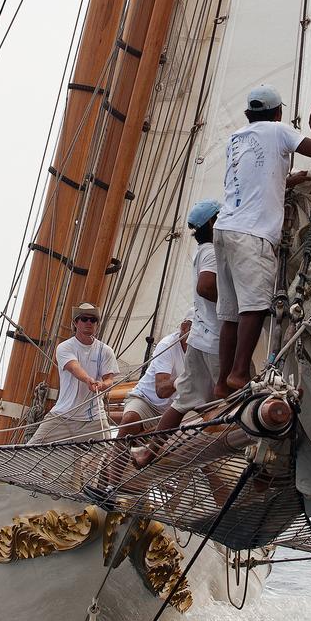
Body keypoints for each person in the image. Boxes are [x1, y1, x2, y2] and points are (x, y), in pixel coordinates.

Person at [215, 87, 311, 394]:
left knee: (230, 313)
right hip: (253, 234)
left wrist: (287, 180)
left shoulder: (235, 139)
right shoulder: (279, 130)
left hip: (224, 229)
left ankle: (221, 383)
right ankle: (240, 374)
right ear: (278, 113)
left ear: (248, 114)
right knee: (253, 307)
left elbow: (254, 180)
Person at [129, 201, 222, 470]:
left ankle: (149, 452)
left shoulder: (201, 251)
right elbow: (207, 288)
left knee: (182, 401)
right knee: (231, 395)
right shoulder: (213, 252)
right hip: (216, 340)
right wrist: (232, 304)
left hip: (199, 339)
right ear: (213, 224)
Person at [29, 302, 119, 444]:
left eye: (93, 320)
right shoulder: (65, 347)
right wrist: (88, 379)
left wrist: (102, 385)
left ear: (97, 324)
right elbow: (74, 367)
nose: (89, 322)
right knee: (30, 451)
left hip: (93, 418)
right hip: (63, 415)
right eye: (84, 319)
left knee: (110, 458)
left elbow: (109, 380)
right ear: (76, 323)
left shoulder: (105, 351)